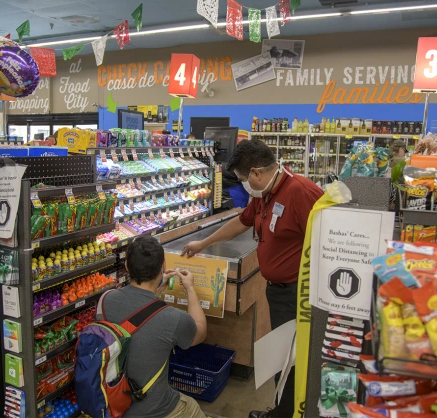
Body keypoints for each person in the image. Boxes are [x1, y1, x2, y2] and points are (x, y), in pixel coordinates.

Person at [181, 139, 323, 418]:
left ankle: (288, 413)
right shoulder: (264, 195)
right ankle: (282, 410)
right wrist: (203, 243)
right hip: (277, 292)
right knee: (283, 356)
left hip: (298, 294)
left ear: (257, 173)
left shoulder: (301, 192)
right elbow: (241, 222)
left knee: (293, 359)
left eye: (245, 179)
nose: (245, 185)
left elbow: (326, 240)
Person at [98, 235, 207, 418]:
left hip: (112, 406)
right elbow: (200, 331)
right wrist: (189, 289)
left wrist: (155, 290)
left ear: (126, 267)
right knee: (192, 407)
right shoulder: (174, 318)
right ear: (163, 266)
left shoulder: (104, 300)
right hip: (156, 411)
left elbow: (134, 309)